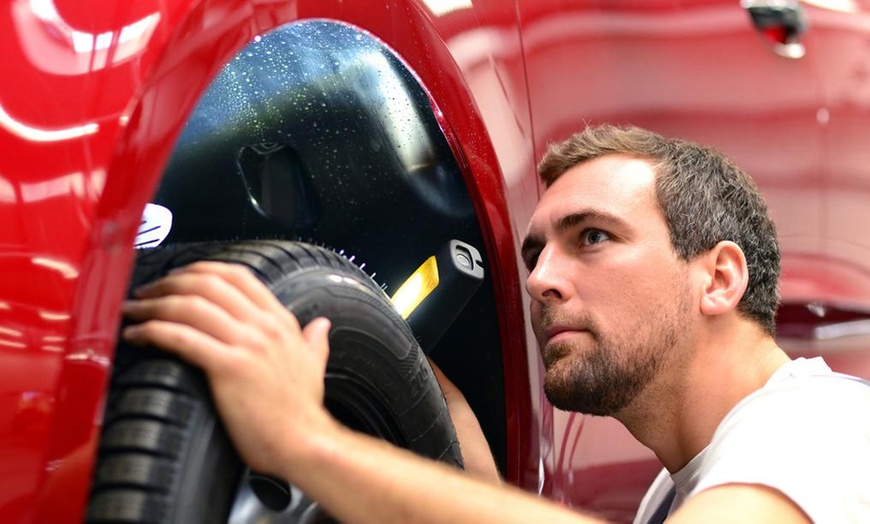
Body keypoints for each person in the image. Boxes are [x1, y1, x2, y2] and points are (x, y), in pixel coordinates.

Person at [121, 124, 870, 523]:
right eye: (536, 254)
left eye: (593, 237)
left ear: (720, 278)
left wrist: (303, 442)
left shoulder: (822, 430)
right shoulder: (681, 490)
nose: (538, 281)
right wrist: (461, 457)